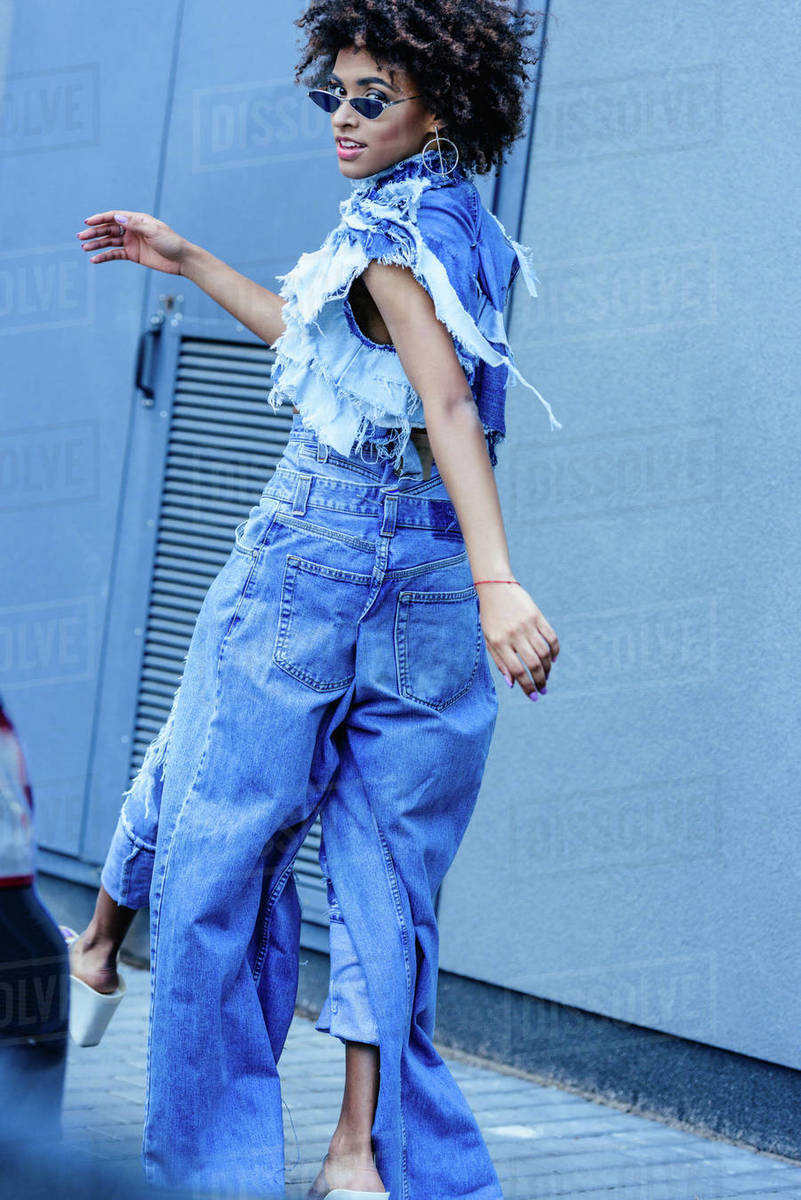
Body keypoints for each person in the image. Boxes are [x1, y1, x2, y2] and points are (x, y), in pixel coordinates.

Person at [68, 3, 560, 1197]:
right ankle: (361, 1160)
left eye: (370, 98)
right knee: (391, 871)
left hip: (318, 553)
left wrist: (504, 584)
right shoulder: (471, 228)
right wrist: (185, 261)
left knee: (223, 852)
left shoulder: (390, 235)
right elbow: (325, 351)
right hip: (431, 583)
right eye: (331, 94)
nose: (341, 117)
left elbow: (448, 411)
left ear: (440, 105)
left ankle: (204, 1151)